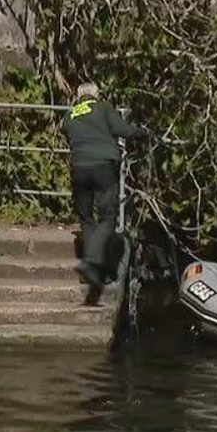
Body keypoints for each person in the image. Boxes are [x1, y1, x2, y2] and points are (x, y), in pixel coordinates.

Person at [62, 82, 142, 291]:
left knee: (86, 219)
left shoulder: (69, 115)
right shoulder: (103, 107)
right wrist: (143, 133)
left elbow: (69, 136)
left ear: (79, 97)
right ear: (96, 95)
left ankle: (92, 271)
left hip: (79, 168)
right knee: (108, 217)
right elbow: (123, 130)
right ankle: (92, 264)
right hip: (103, 167)